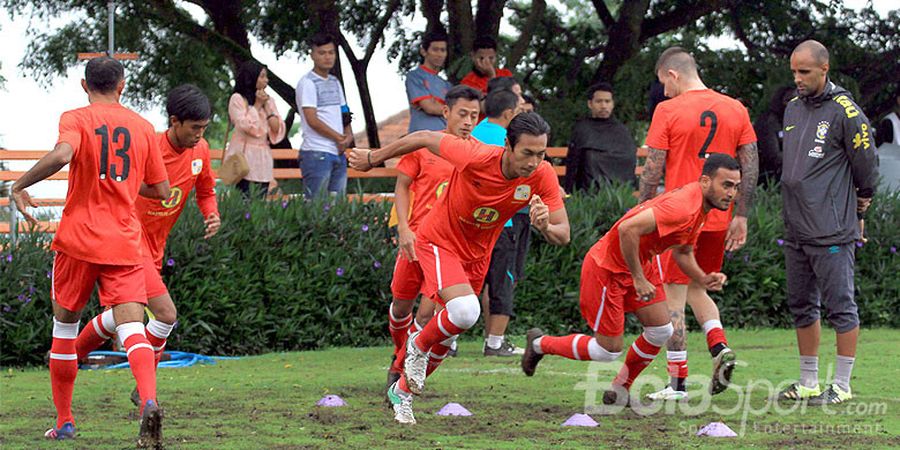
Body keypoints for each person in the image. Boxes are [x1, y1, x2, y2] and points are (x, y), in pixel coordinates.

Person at [349, 112, 570, 424]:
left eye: (541, 154)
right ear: (508, 145)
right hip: (438, 241)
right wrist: (373, 157)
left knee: (449, 335)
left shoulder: (542, 175)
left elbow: (564, 234)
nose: (534, 162)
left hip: (476, 257)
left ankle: (402, 393)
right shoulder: (475, 155)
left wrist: (545, 225)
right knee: (462, 311)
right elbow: (424, 137)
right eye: (527, 153)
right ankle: (416, 345)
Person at [10, 57, 170, 445]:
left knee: (64, 328)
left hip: (78, 239)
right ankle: (148, 400)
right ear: (123, 85)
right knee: (132, 325)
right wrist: (129, 186)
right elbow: (162, 191)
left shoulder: (76, 117)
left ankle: (65, 421)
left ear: (85, 86)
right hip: (124, 240)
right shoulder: (144, 127)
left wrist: (19, 184)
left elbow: (64, 154)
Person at [522, 154, 739, 408]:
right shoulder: (683, 206)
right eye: (726, 185)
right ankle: (539, 344)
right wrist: (638, 278)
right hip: (608, 268)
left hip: (639, 264)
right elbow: (627, 229)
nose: (731, 193)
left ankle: (619, 389)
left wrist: (703, 278)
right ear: (705, 181)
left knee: (661, 330)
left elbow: (682, 251)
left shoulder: (699, 208)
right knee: (607, 351)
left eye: (736, 186)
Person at [73, 84, 221, 405]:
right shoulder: (147, 145)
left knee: (125, 316)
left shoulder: (202, 151)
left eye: (204, 128)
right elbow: (119, 181)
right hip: (127, 241)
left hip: (154, 247)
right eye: (194, 128)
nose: (199, 134)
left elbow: (206, 190)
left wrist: (212, 214)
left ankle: (71, 356)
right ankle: (145, 394)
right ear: (174, 121)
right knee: (165, 314)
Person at [639, 47, 759, 400]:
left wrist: (642, 212)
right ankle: (719, 345)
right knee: (697, 288)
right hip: (720, 216)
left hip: (680, 215)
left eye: (664, 82)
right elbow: (749, 165)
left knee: (672, 297)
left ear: (673, 75)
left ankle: (677, 382)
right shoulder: (735, 108)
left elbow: (652, 169)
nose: (663, 91)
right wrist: (741, 214)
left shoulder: (668, 110)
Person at [777, 40, 878, 405]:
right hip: (795, 226)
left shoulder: (846, 112)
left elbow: (867, 167)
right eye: (794, 71)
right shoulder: (791, 108)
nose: (798, 78)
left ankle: (842, 385)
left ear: (824, 69)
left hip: (831, 227)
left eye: (804, 72)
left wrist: (861, 208)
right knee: (801, 304)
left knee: (840, 305)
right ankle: (808, 381)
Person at [386, 85, 482, 389]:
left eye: (474, 116)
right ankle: (399, 353)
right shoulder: (425, 147)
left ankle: (402, 370)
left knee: (428, 313)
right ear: (446, 113)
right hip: (415, 240)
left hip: (445, 249)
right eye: (463, 114)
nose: (468, 121)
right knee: (401, 307)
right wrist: (404, 228)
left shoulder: (478, 154)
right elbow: (402, 186)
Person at [472, 88, 528, 356]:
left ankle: (448, 342)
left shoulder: (473, 133)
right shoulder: (509, 140)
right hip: (502, 222)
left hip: (469, 221)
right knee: (502, 280)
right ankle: (495, 342)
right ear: (509, 113)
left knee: (466, 281)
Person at [297, 33, 354, 199]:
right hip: (316, 152)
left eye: (331, 52)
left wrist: (348, 134)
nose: (327, 57)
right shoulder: (307, 82)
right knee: (316, 207)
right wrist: (338, 137)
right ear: (312, 55)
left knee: (338, 207)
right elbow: (312, 119)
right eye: (322, 53)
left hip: (337, 152)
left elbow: (344, 111)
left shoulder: (335, 82)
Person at [225, 60, 286, 199]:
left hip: (262, 159)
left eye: (266, 76)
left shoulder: (269, 100)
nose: (266, 80)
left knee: (260, 200)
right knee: (242, 199)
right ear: (251, 77)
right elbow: (244, 125)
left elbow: (277, 129)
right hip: (243, 158)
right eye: (262, 76)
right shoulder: (237, 99)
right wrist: (257, 105)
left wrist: (267, 107)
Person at [564, 82, 638, 192]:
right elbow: (573, 163)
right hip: (588, 191)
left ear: (612, 104)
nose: (603, 106)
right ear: (590, 104)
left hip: (619, 192)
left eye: (607, 101)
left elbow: (629, 158)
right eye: (599, 101)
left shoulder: (622, 130)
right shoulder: (582, 129)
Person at [405, 30, 452, 132]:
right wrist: (450, 109)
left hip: (443, 137)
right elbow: (429, 107)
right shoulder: (415, 76)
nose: (440, 54)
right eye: (435, 50)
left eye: (443, 50)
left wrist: (437, 105)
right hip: (420, 137)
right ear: (423, 51)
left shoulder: (447, 85)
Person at [753, 85, 795, 185]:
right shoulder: (769, 122)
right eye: (790, 101)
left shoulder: (796, 121)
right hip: (769, 179)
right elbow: (772, 156)